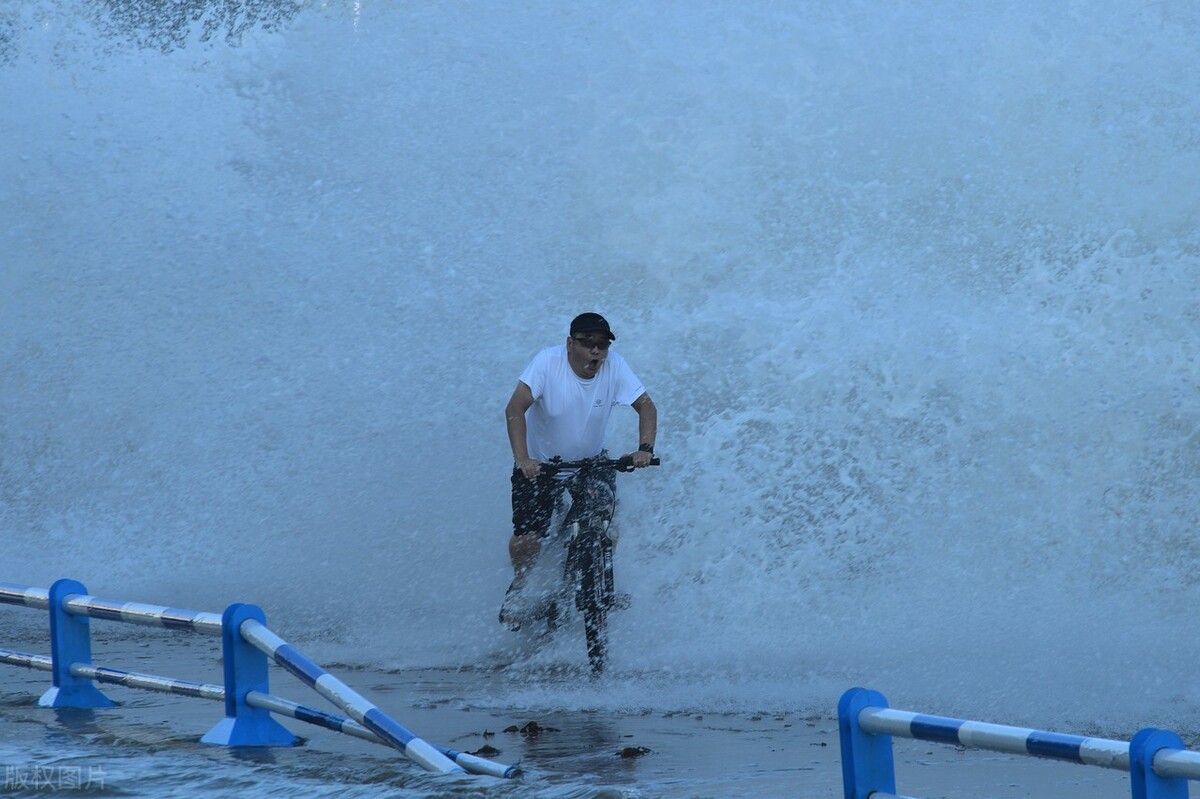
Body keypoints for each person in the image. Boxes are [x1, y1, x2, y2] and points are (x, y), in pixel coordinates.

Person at [500, 312, 657, 630]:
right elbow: (515, 407)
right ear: (570, 343)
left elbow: (646, 406)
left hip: (591, 463)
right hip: (541, 466)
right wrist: (523, 459)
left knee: (607, 525)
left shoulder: (615, 366)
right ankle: (518, 588)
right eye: (587, 344)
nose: (595, 352)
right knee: (528, 537)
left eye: (601, 345)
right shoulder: (547, 362)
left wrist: (645, 449)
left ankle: (602, 587)